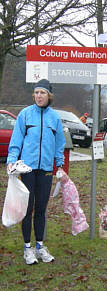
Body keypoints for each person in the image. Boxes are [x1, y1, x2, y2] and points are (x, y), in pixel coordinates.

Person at [7, 79, 66, 264]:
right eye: (37, 93)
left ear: (49, 96)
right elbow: (16, 141)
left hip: (46, 170)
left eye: (43, 93)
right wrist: (11, 161)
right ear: (33, 95)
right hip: (28, 169)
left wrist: (60, 165)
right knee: (27, 209)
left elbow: (59, 144)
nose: (39, 96)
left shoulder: (54, 118)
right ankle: (27, 248)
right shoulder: (25, 115)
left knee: (41, 209)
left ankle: (40, 246)